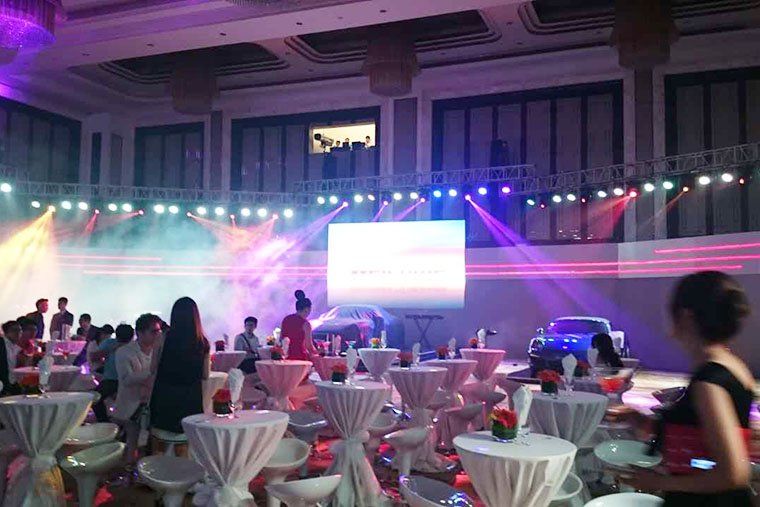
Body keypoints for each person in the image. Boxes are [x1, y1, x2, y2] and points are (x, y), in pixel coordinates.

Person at [619, 271, 753, 506]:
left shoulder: (709, 383)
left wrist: (659, 482)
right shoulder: (734, 366)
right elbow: (704, 434)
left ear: (685, 316)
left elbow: (733, 474)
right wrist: (643, 422)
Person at [150, 297, 210, 447]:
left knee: (162, 441)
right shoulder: (203, 342)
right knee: (188, 440)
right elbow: (205, 375)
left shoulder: (163, 337)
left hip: (165, 399)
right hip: (190, 401)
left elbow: (152, 368)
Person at [115, 314, 161, 464]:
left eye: (159, 331)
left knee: (153, 441)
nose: (157, 335)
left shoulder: (158, 351)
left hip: (152, 402)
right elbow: (126, 379)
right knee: (132, 440)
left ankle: (147, 469)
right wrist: (152, 372)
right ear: (139, 333)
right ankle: (129, 469)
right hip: (131, 403)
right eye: (153, 331)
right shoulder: (124, 352)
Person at [92, 324, 133, 422]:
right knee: (95, 398)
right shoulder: (110, 343)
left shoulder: (134, 347)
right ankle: (104, 421)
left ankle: (121, 422)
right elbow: (93, 357)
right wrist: (112, 349)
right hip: (111, 380)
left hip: (127, 380)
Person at [280, 290, 315, 361]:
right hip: (300, 357)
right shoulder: (305, 324)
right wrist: (318, 353)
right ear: (306, 309)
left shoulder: (286, 319)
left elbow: (281, 338)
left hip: (286, 356)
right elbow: (309, 346)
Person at [0, 321, 21, 394]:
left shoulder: (16, 347)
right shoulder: (1, 344)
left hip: (13, 383)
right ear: (6, 332)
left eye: (19, 330)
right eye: (14, 330)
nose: (17, 333)